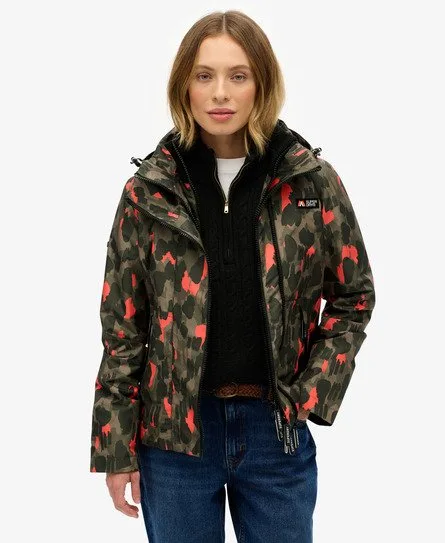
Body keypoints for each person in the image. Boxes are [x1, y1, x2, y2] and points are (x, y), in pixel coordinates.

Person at [89, 9, 376, 543]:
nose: (220, 92)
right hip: (174, 438)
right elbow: (122, 327)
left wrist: (311, 393)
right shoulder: (149, 191)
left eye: (238, 75)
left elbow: (353, 297)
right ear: (185, 85)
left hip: (276, 432)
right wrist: (115, 445)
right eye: (205, 75)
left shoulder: (309, 182)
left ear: (261, 84)